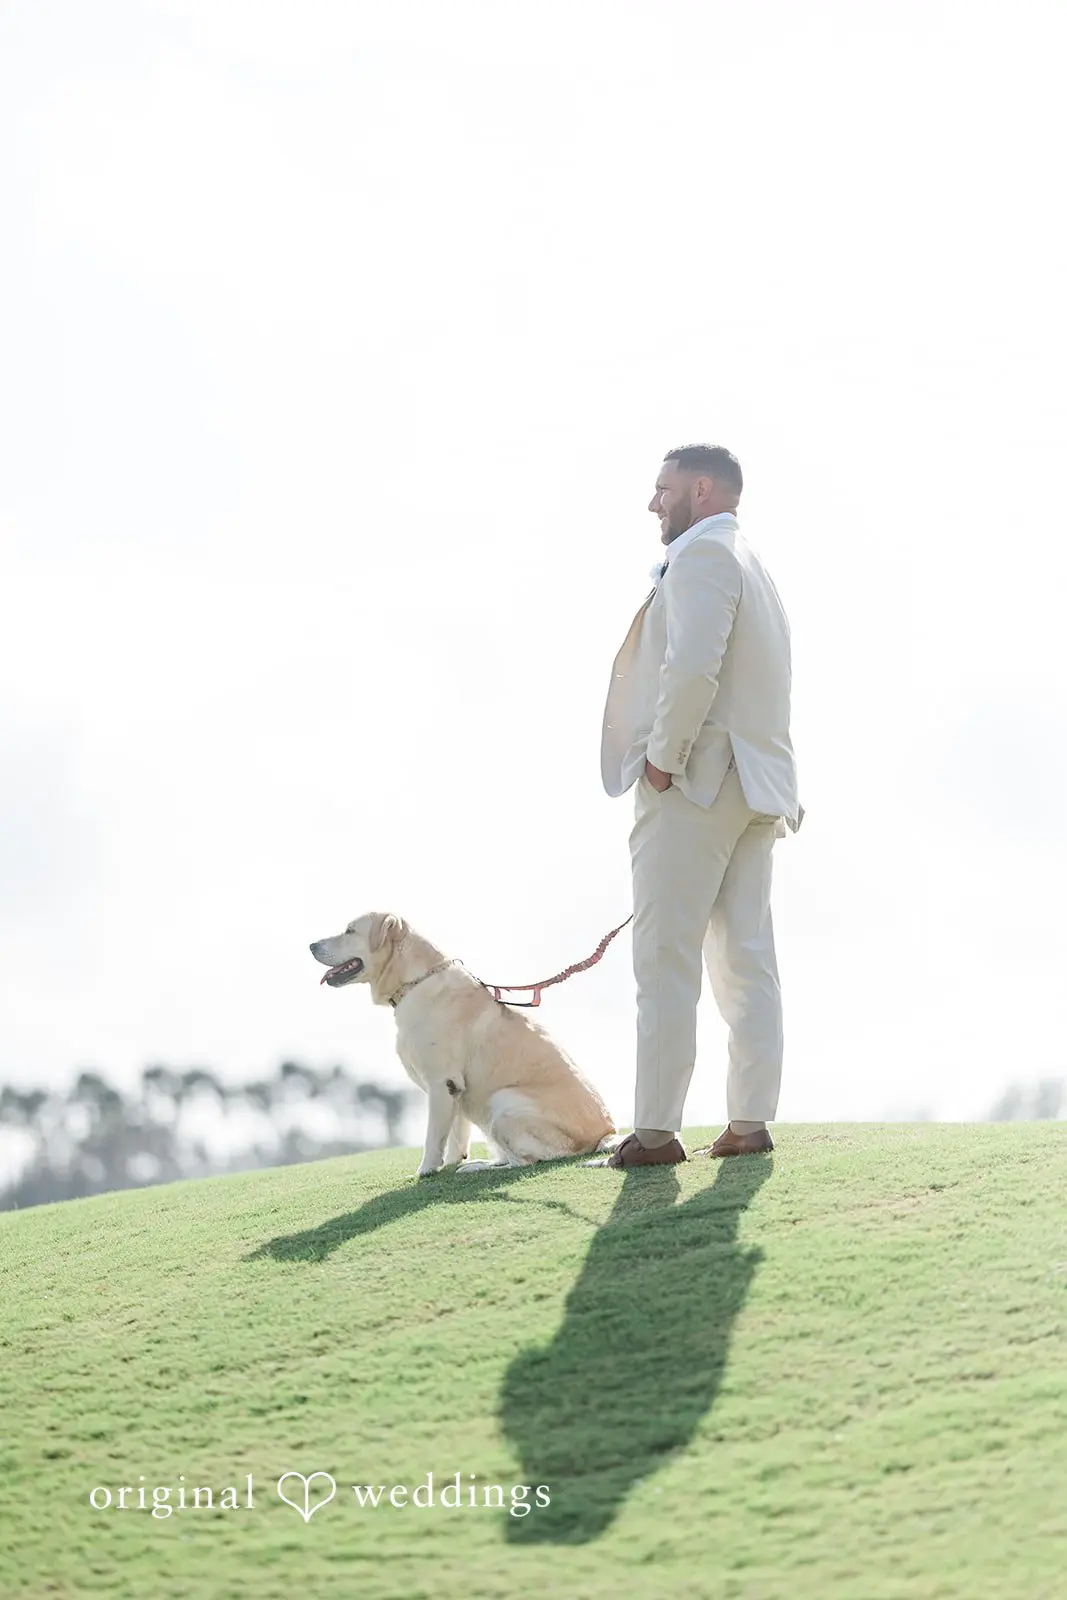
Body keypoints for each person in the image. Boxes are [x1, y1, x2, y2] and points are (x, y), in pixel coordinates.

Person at [595, 444, 802, 1168]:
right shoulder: (752, 564)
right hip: (756, 789)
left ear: (702, 490)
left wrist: (660, 762)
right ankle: (748, 1122)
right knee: (745, 958)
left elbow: (691, 668)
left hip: (698, 782)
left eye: (663, 488)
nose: (653, 502)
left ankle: (653, 1133)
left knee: (665, 959)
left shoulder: (704, 557)